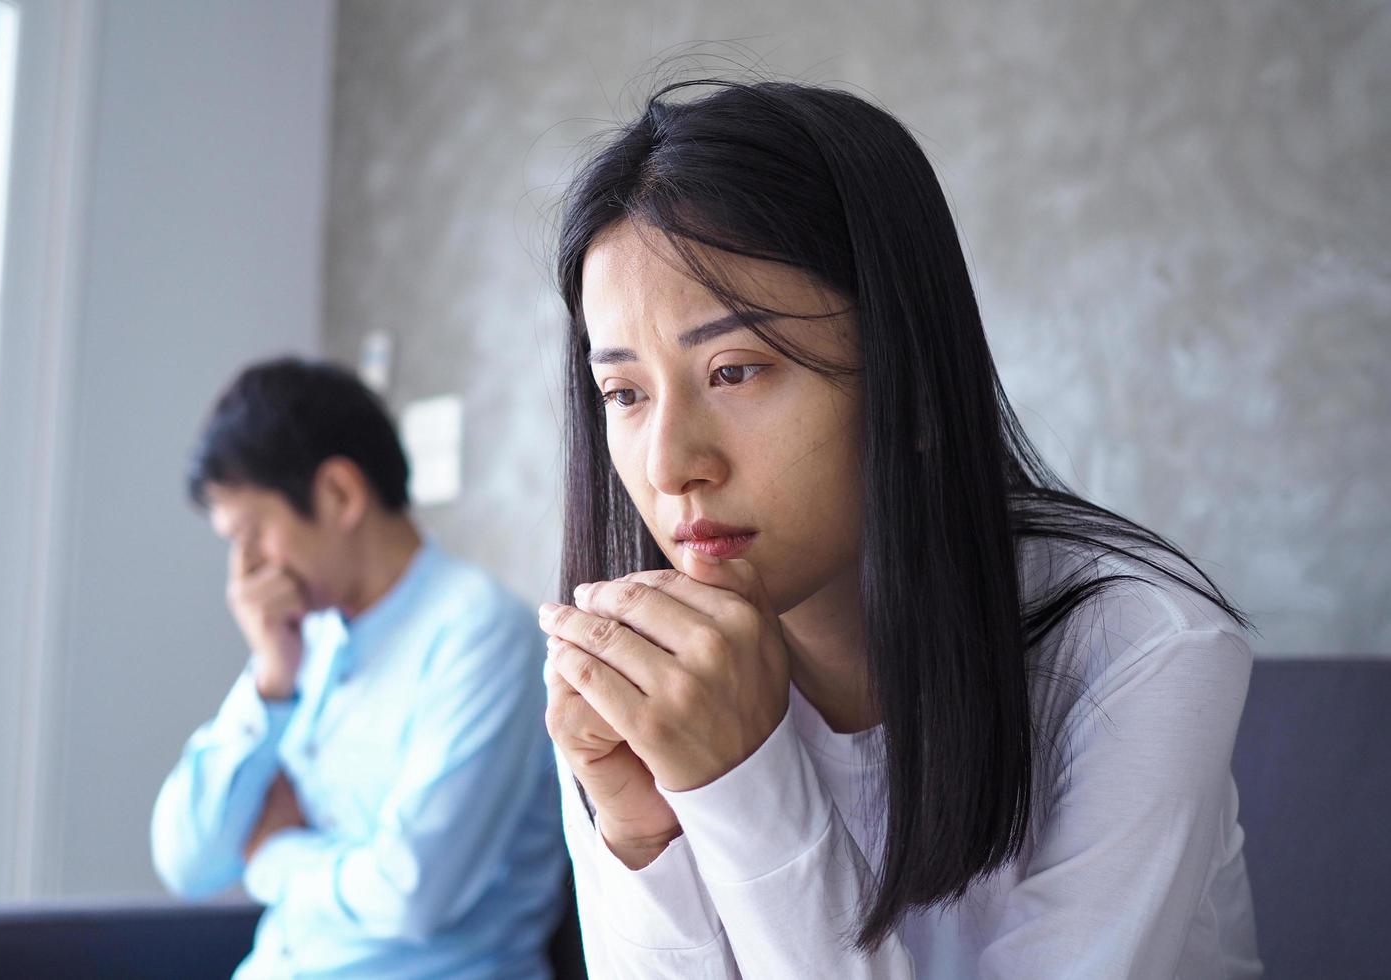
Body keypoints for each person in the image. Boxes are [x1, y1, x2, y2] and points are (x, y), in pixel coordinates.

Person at [539, 80, 1261, 978]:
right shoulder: (641, 675)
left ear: (902, 361)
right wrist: (645, 834)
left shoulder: (1141, 650)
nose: (668, 464)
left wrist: (743, 782)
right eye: (625, 393)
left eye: (735, 371)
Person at [151, 358, 567, 979]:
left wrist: (273, 857)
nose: (243, 578)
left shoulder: (480, 635)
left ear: (340, 494)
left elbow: (410, 893)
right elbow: (188, 862)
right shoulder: (298, 640)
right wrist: (270, 685)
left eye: (253, 534)